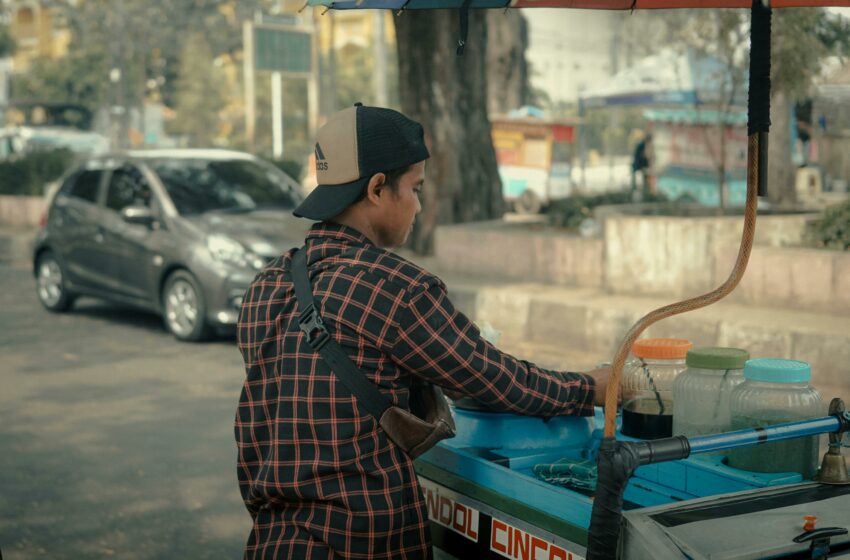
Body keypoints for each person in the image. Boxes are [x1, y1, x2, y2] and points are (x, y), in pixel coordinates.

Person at [234, 104, 612, 559]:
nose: (419, 205)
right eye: (415, 188)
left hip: (274, 543)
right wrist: (589, 387)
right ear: (377, 189)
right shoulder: (394, 288)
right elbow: (496, 379)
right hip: (362, 543)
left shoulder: (267, 285)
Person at [631, 132, 653, 199]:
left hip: (641, 165)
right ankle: (635, 192)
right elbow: (643, 156)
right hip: (638, 165)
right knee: (636, 181)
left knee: (644, 179)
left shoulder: (643, 144)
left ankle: (645, 192)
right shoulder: (642, 145)